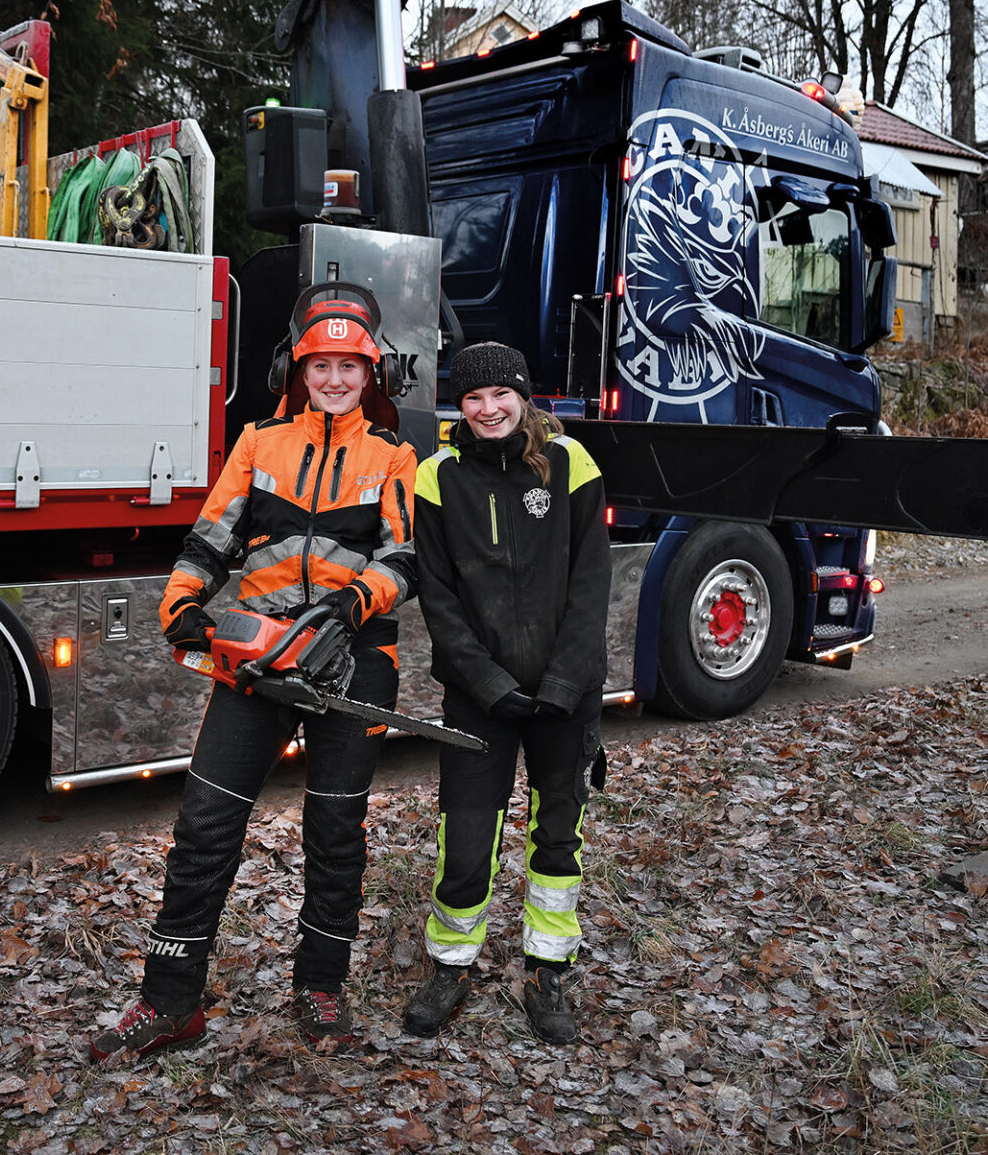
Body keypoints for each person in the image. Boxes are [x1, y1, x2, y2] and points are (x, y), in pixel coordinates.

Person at [89, 286, 420, 1063]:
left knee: (336, 832)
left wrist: (350, 604)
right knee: (205, 827)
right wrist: (183, 606)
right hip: (258, 660)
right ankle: (170, 1001)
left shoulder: (392, 455)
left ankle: (321, 985)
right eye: (321, 365)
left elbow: (404, 557)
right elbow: (211, 537)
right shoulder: (258, 442)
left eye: (349, 365)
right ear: (295, 369)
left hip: (354, 661)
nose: (335, 379)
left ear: (373, 372)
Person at [401, 341, 610, 1045]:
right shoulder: (437, 478)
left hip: (565, 696)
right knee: (465, 842)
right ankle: (451, 966)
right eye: (472, 397)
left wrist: (562, 685)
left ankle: (547, 972)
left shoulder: (573, 463)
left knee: (558, 837)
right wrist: (488, 683)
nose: (488, 408)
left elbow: (590, 588)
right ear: (458, 406)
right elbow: (439, 599)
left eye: (500, 395)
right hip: (477, 698)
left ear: (523, 396)